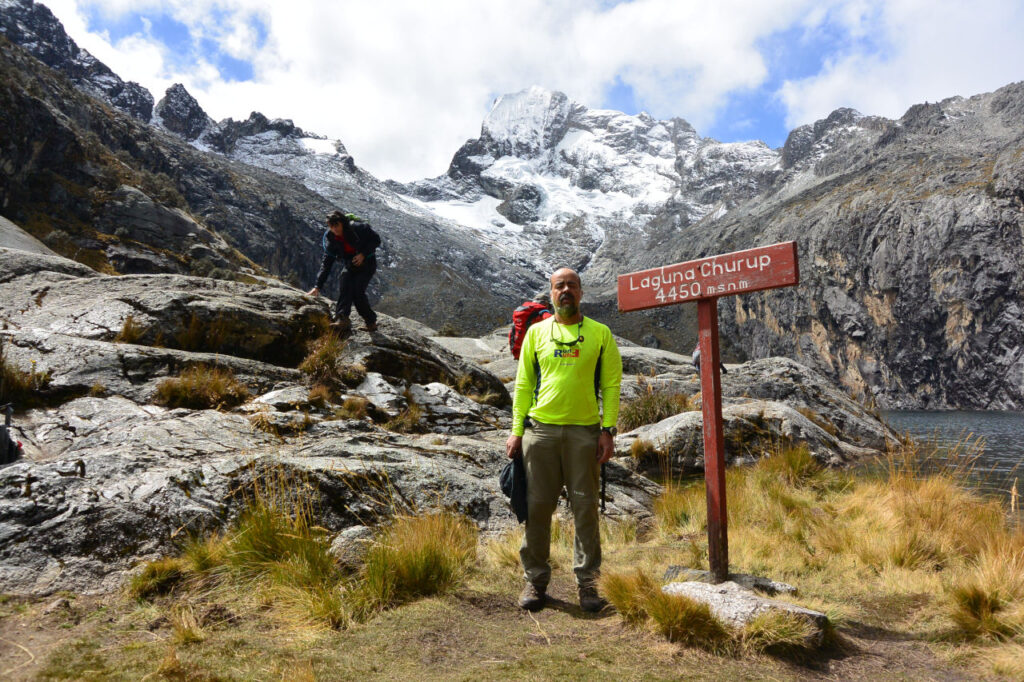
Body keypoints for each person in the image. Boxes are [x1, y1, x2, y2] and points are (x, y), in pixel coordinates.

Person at [505, 267, 622, 613]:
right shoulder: (536, 334)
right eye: (559, 286)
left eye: (571, 285)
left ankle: (589, 583)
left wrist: (608, 430)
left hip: (585, 434)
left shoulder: (600, 334)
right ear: (551, 294)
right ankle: (536, 580)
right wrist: (516, 430)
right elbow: (523, 384)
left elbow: (612, 385)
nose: (566, 290)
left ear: (581, 292)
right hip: (539, 433)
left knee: (585, 508)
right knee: (537, 507)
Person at [306, 211, 381, 333]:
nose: (334, 229)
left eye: (336, 225)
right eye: (331, 226)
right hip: (350, 265)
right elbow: (326, 264)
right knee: (345, 283)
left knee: (358, 292)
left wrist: (363, 254)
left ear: (343, 224)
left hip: (367, 263)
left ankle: (371, 322)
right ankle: (342, 319)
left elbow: (376, 240)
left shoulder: (359, 228)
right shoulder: (332, 240)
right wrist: (317, 286)